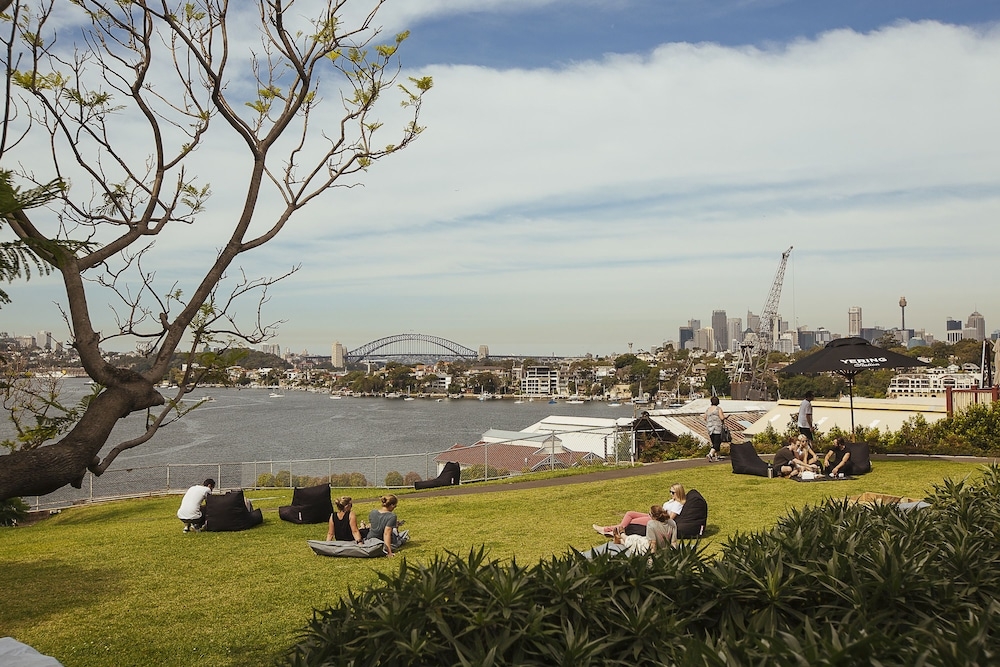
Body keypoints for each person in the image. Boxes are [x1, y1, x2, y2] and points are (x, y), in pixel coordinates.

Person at [586, 505, 678, 559]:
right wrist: (675, 556)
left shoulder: (651, 524)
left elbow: (652, 544)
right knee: (636, 538)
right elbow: (674, 542)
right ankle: (620, 538)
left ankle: (621, 534)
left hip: (651, 549)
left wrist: (652, 559)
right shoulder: (672, 523)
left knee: (633, 540)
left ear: (654, 516)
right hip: (664, 550)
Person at [592, 483, 686, 536]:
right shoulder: (672, 501)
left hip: (655, 519)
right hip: (652, 515)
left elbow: (669, 518)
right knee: (630, 514)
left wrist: (656, 516)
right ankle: (611, 530)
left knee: (632, 521)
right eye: (670, 491)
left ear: (678, 493)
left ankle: (610, 530)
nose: (670, 494)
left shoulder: (678, 504)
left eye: (672, 492)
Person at [704, 396, 726, 462]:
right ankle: (710, 454)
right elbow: (722, 418)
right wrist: (725, 417)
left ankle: (717, 456)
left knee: (714, 442)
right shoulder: (718, 409)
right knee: (717, 443)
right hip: (717, 428)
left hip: (710, 428)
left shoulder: (708, 409)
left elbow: (705, 418)